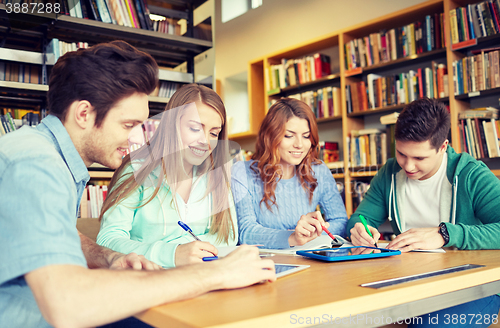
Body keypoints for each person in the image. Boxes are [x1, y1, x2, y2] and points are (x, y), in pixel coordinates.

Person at [0, 41, 276, 328]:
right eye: (128, 125)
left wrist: (109, 257)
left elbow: (59, 235)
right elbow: (67, 304)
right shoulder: (34, 165)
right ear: (84, 114)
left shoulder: (52, 159)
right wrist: (217, 274)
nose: (136, 139)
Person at [347, 97, 500, 327]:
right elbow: (360, 218)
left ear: (443, 147)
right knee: (355, 316)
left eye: (419, 158)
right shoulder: (389, 174)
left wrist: (445, 235)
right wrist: (360, 228)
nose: (408, 166)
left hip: (477, 286)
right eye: (401, 154)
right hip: (412, 282)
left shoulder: (471, 175)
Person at [97, 84, 238, 268]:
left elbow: (229, 237)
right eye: (195, 129)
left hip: (201, 278)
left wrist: (189, 251)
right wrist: (173, 253)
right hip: (147, 281)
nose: (205, 141)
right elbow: (108, 240)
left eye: (213, 133)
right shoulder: (136, 170)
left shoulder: (216, 176)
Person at [231, 98, 348, 249]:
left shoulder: (318, 170)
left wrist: (310, 234)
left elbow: (341, 221)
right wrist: (292, 237)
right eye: (289, 135)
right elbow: (245, 232)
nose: (299, 144)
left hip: (308, 261)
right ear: (270, 136)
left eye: (306, 136)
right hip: (264, 264)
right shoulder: (242, 172)